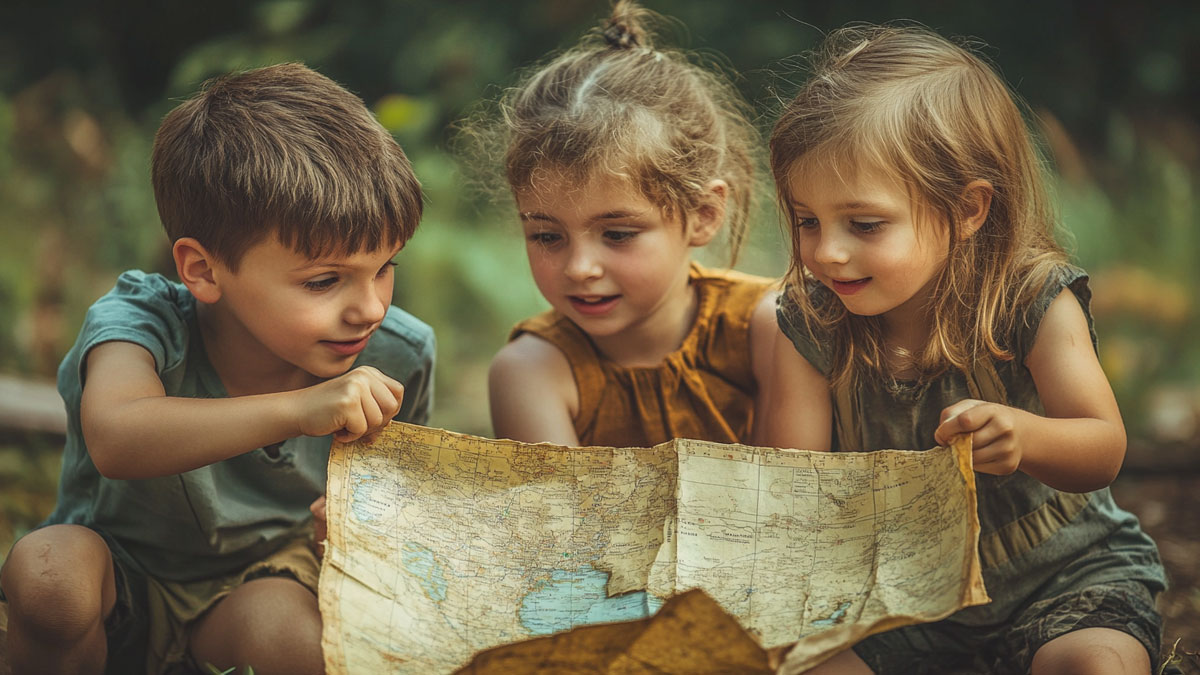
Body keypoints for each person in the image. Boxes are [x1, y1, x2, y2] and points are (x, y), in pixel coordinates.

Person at [760, 25, 1171, 675]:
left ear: (968, 209)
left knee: (1095, 664)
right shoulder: (813, 321)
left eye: (863, 223)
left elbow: (1103, 447)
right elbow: (791, 488)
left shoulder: (1031, 299)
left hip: (1063, 575)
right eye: (808, 220)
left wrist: (1025, 436)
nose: (826, 251)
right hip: (901, 597)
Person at [0, 63, 434, 675]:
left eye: (385, 266)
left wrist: (348, 531)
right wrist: (298, 410)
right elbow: (118, 439)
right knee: (49, 576)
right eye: (324, 281)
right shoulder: (141, 325)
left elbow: (391, 526)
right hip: (120, 576)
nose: (370, 307)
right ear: (202, 270)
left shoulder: (399, 355)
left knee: (296, 644)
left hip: (260, 582)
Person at [478, 0, 777, 448]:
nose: (580, 268)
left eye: (617, 234)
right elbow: (564, 518)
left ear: (704, 215)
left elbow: (792, 502)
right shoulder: (531, 370)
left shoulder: (771, 329)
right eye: (547, 236)